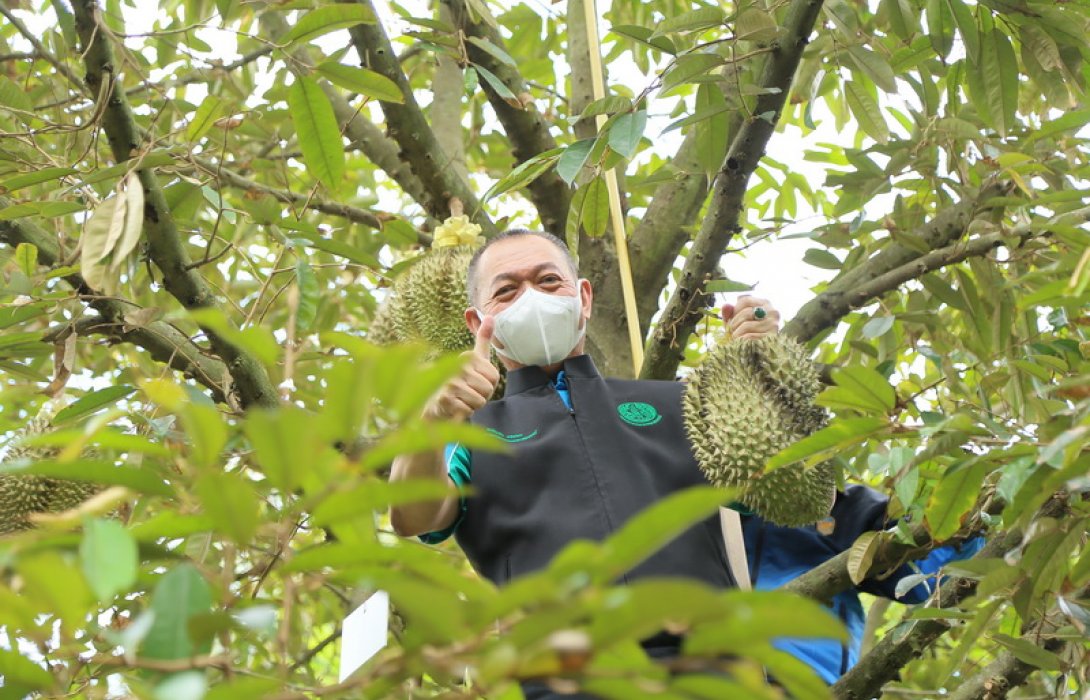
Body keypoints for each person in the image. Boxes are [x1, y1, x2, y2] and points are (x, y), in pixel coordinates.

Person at [388, 229, 781, 674]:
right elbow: (411, 516)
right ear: (478, 324)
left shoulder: (680, 403)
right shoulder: (472, 434)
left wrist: (762, 372)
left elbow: (782, 487)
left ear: (584, 298)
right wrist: (434, 417)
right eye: (506, 290)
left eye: (549, 281)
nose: (532, 298)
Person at [742, 485, 986, 684]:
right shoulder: (710, 516)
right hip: (712, 668)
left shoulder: (839, 509)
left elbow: (923, 576)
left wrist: (958, 523)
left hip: (808, 676)